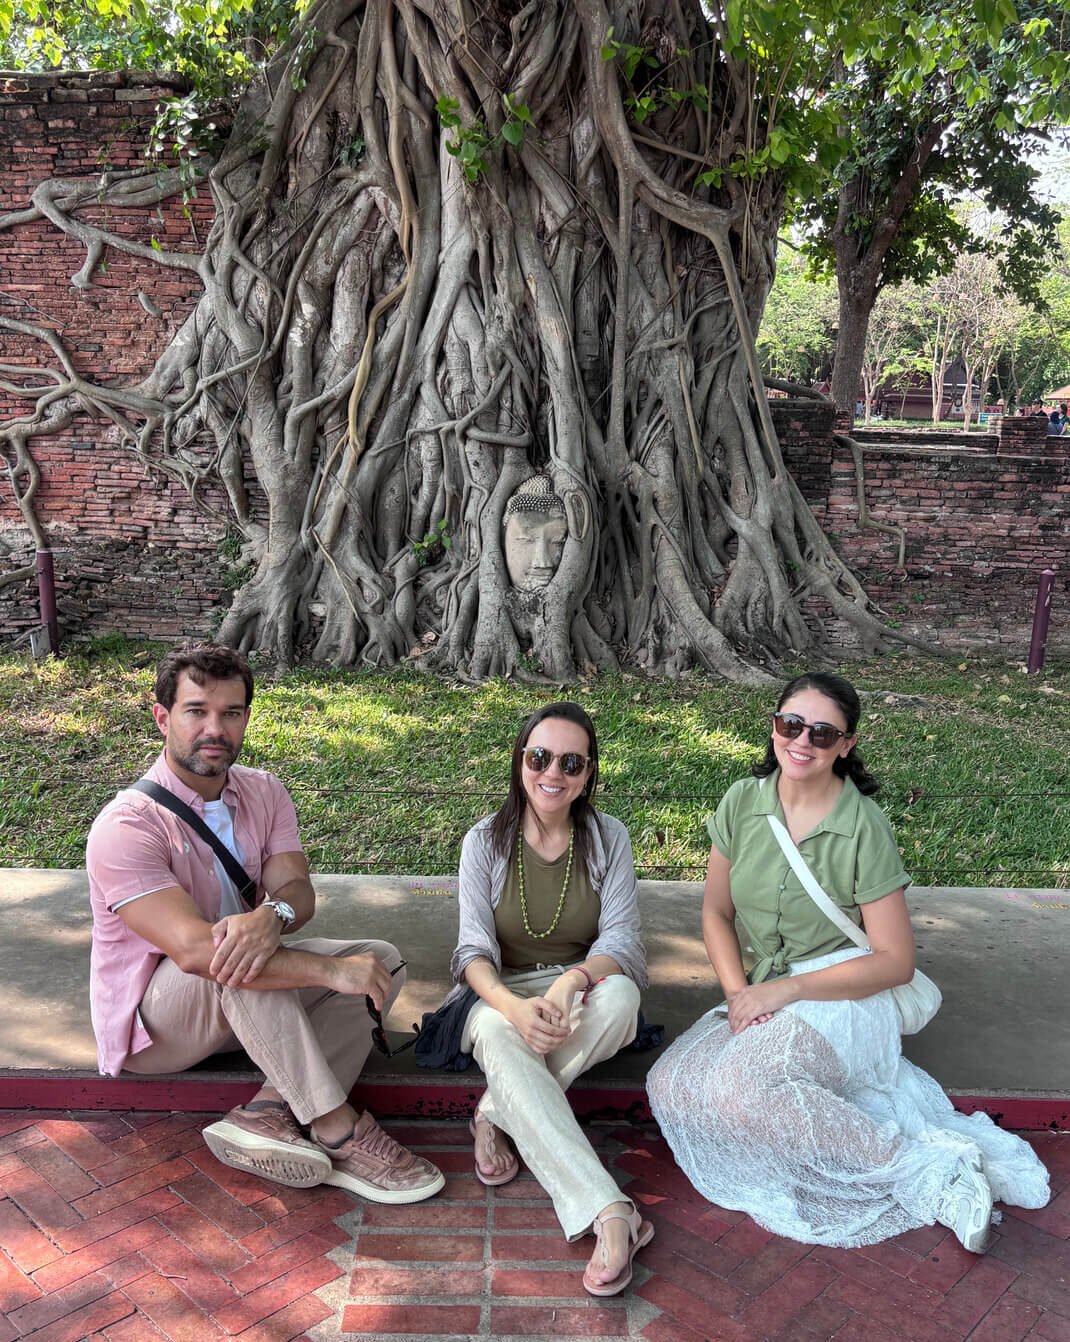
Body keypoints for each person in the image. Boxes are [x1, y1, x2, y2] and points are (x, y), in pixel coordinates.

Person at [647, 673, 1049, 1251]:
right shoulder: (742, 801)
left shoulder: (863, 825)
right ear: (774, 726)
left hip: (845, 993)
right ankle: (841, 1137)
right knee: (671, 1083)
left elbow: (895, 962)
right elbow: (715, 913)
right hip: (763, 990)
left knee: (744, 1091)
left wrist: (785, 992)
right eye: (791, 725)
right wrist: (740, 993)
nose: (802, 741)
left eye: (822, 732)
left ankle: (933, 1173)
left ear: (846, 745)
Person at [86, 641, 444, 1205]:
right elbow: (194, 952)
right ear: (162, 717)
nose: (215, 728)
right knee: (238, 957)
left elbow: (297, 892)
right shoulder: (126, 826)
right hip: (156, 1025)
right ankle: (338, 1130)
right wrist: (328, 970)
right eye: (197, 711)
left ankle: (268, 1110)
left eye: (231, 713)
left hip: (240, 1003)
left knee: (379, 959)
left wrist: (272, 915)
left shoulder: (263, 791)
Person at [446, 701, 652, 1295]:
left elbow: (623, 942)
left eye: (570, 762)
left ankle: (493, 1112)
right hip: (502, 992)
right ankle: (610, 1211)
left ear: (588, 774)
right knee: (492, 1032)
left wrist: (572, 982)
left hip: (578, 987)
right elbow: (471, 954)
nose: (552, 773)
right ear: (519, 761)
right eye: (539, 757)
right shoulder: (484, 841)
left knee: (622, 1002)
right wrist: (511, 1007)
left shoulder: (608, 837)